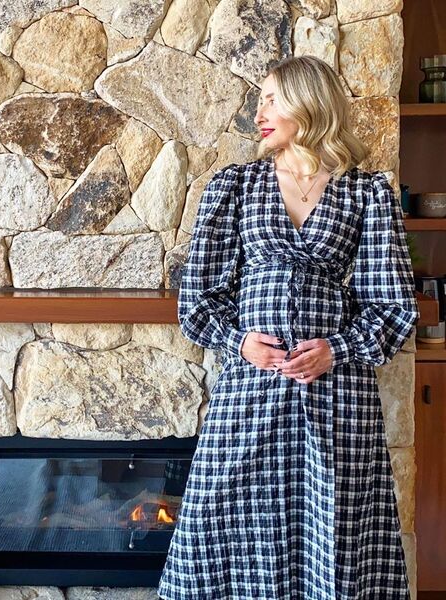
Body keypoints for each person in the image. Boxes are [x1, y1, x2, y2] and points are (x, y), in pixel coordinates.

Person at [157, 55, 419, 599]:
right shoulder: (236, 187)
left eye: (271, 100)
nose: (259, 113)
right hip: (250, 390)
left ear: (308, 102)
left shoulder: (366, 193)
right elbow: (198, 300)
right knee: (220, 518)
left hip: (336, 394)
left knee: (335, 529)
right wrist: (239, 343)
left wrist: (337, 349)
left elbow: (393, 306)